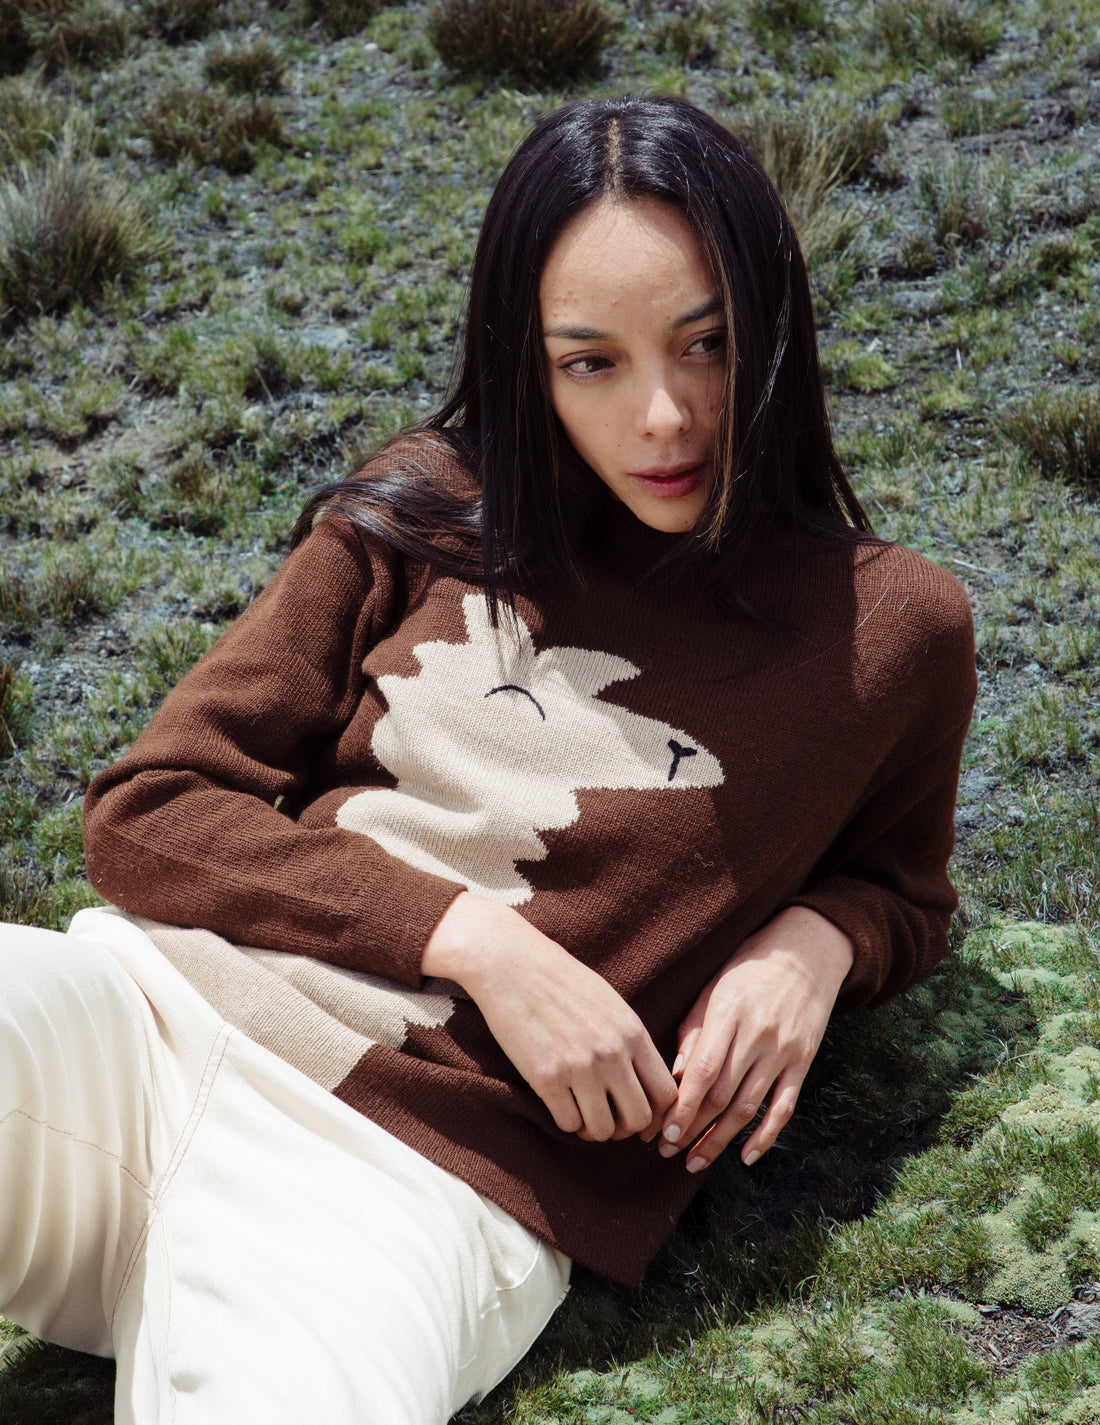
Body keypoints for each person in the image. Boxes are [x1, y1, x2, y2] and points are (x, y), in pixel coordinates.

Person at [0, 95, 976, 1424]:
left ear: (773, 326)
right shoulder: (430, 507)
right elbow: (148, 811)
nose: (663, 415)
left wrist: (814, 944)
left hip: (410, 1184)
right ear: (530, 362)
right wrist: (476, 940)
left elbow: (905, 890)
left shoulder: (892, 628)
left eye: (705, 343)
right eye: (592, 363)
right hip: (141, 1029)